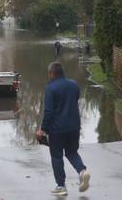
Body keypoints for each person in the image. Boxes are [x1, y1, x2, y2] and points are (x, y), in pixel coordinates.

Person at [36, 62, 90, 196]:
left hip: (57, 129)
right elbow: (75, 99)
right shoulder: (73, 84)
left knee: (56, 156)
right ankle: (82, 172)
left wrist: (42, 129)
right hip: (74, 127)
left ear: (52, 73)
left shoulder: (50, 88)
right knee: (72, 152)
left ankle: (61, 186)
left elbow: (48, 111)